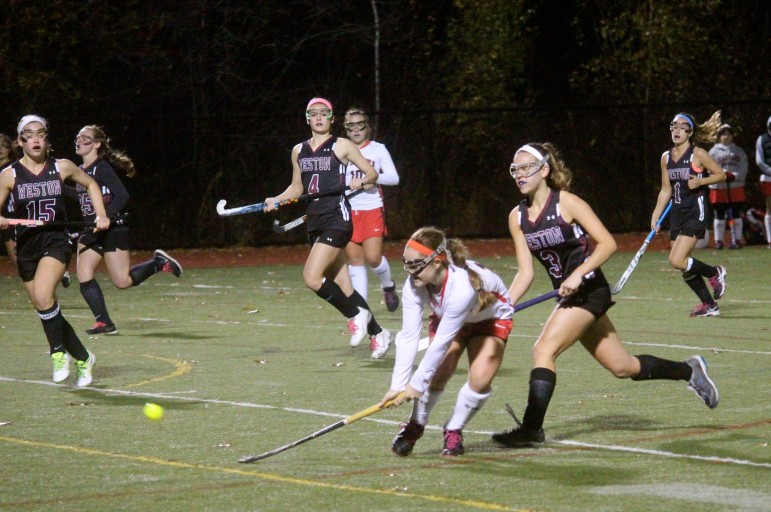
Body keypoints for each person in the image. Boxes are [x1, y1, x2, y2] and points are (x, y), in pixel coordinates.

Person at [491, 142, 719, 448]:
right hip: (570, 297)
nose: (519, 174)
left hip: (589, 290)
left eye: (526, 168)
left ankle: (532, 429)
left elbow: (608, 244)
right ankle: (688, 370)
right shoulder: (517, 217)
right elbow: (525, 273)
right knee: (623, 367)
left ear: (544, 170)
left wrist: (576, 275)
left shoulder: (567, 204)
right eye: (515, 169)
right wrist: (504, 306)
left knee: (542, 349)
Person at [263, 98, 391, 355]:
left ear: (332, 119)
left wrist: (361, 181)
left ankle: (355, 316)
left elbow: (372, 175)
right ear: (307, 119)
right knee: (345, 287)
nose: (319, 117)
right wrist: (277, 200)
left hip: (337, 217)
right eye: (314, 114)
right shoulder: (298, 150)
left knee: (311, 277)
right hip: (315, 221)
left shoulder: (342, 145)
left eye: (325, 113)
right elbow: (297, 188)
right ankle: (379, 333)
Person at [379, 227, 513, 457]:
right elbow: (409, 336)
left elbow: (442, 343)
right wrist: (398, 385)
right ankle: (416, 425)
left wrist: (416, 384)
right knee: (439, 370)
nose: (410, 271)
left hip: (490, 318)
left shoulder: (461, 288)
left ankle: (453, 428)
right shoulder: (415, 285)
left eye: (416, 264)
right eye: (406, 263)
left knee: (480, 378)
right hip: (450, 317)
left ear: (438, 262)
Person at [0, 115, 110, 386]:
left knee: (43, 294)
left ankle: (58, 353)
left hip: (56, 240)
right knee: (45, 305)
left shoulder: (61, 167)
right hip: (26, 246)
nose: (35, 139)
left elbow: (91, 185)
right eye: (29, 134)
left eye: (40, 134)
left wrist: (102, 215)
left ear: (47, 139)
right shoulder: (8, 175)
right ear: (20, 141)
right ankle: (84, 357)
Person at [72, 125, 182, 336]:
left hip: (113, 229)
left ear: (96, 144)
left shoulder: (102, 167)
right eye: (78, 137)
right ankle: (104, 322)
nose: (78, 141)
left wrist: (106, 216)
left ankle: (157, 263)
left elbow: (122, 196)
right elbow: (79, 196)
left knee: (122, 281)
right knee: (83, 273)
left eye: (85, 138)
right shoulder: (79, 171)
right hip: (91, 231)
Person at [651, 112, 727, 318]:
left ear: (690, 132)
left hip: (695, 211)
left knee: (676, 260)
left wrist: (701, 181)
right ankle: (710, 305)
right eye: (673, 126)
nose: (676, 130)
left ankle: (715, 272)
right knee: (683, 264)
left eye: (682, 126)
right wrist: (656, 215)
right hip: (677, 213)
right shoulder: (666, 158)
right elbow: (665, 189)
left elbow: (720, 174)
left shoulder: (698, 154)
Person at [342, 107, 400, 320]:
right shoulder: (339, 150)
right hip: (348, 211)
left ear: (367, 128)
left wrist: (371, 179)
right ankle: (361, 312)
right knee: (355, 260)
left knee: (373, 258)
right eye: (351, 126)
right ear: (346, 129)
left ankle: (388, 285)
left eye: (360, 125)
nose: (356, 130)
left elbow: (394, 178)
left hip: (372, 209)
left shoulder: (378, 149)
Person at [708, 124, 748, 249]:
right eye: (723, 134)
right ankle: (718, 241)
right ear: (719, 137)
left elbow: (744, 167)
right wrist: (722, 175)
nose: (726, 137)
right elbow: (709, 167)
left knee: (736, 214)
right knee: (719, 214)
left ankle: (736, 239)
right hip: (719, 187)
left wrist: (735, 176)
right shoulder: (713, 152)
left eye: (729, 134)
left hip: (736, 186)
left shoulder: (738, 151)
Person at [0, 133, 20, 266]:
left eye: (4, 145)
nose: (0, 149)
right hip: (4, 220)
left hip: (19, 217)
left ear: (9, 149)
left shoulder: (15, 167)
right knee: (19, 266)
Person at [755, 114, 771, 248]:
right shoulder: (762, 139)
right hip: (768, 178)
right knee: (769, 208)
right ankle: (770, 240)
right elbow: (759, 161)